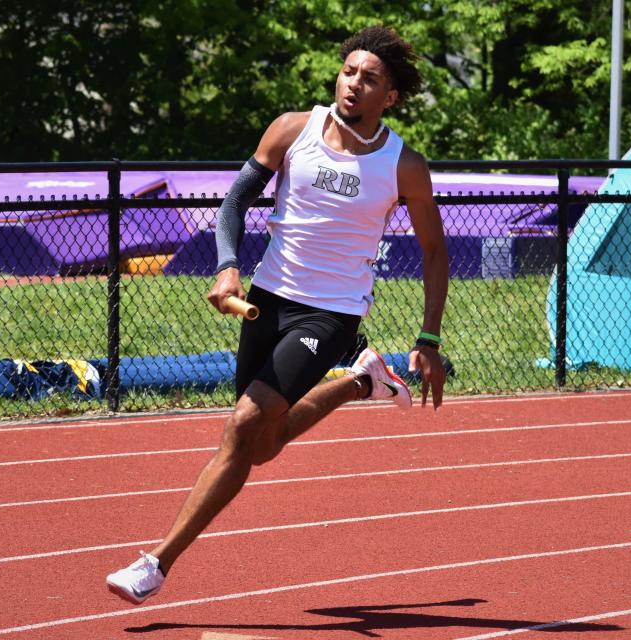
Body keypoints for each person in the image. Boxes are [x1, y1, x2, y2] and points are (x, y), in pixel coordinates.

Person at [106, 25, 449, 604]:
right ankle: (365, 381)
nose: (354, 84)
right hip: (267, 297)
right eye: (349, 72)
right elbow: (236, 199)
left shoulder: (404, 165)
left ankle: (156, 563)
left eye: (370, 79)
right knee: (261, 447)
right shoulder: (294, 129)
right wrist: (227, 267)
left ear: (389, 96)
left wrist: (429, 336)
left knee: (242, 426)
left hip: (332, 312)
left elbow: (434, 250)